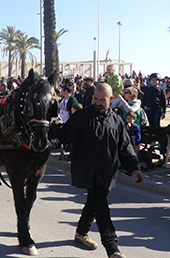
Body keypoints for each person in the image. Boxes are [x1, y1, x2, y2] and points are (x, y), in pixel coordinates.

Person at [49, 83, 143, 258]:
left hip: (107, 171)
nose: (98, 103)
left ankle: (81, 233)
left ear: (111, 100)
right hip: (87, 169)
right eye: (96, 99)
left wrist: (134, 168)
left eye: (102, 100)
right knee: (101, 208)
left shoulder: (116, 121)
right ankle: (112, 248)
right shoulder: (83, 116)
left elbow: (125, 147)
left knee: (94, 203)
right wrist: (47, 145)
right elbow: (64, 134)